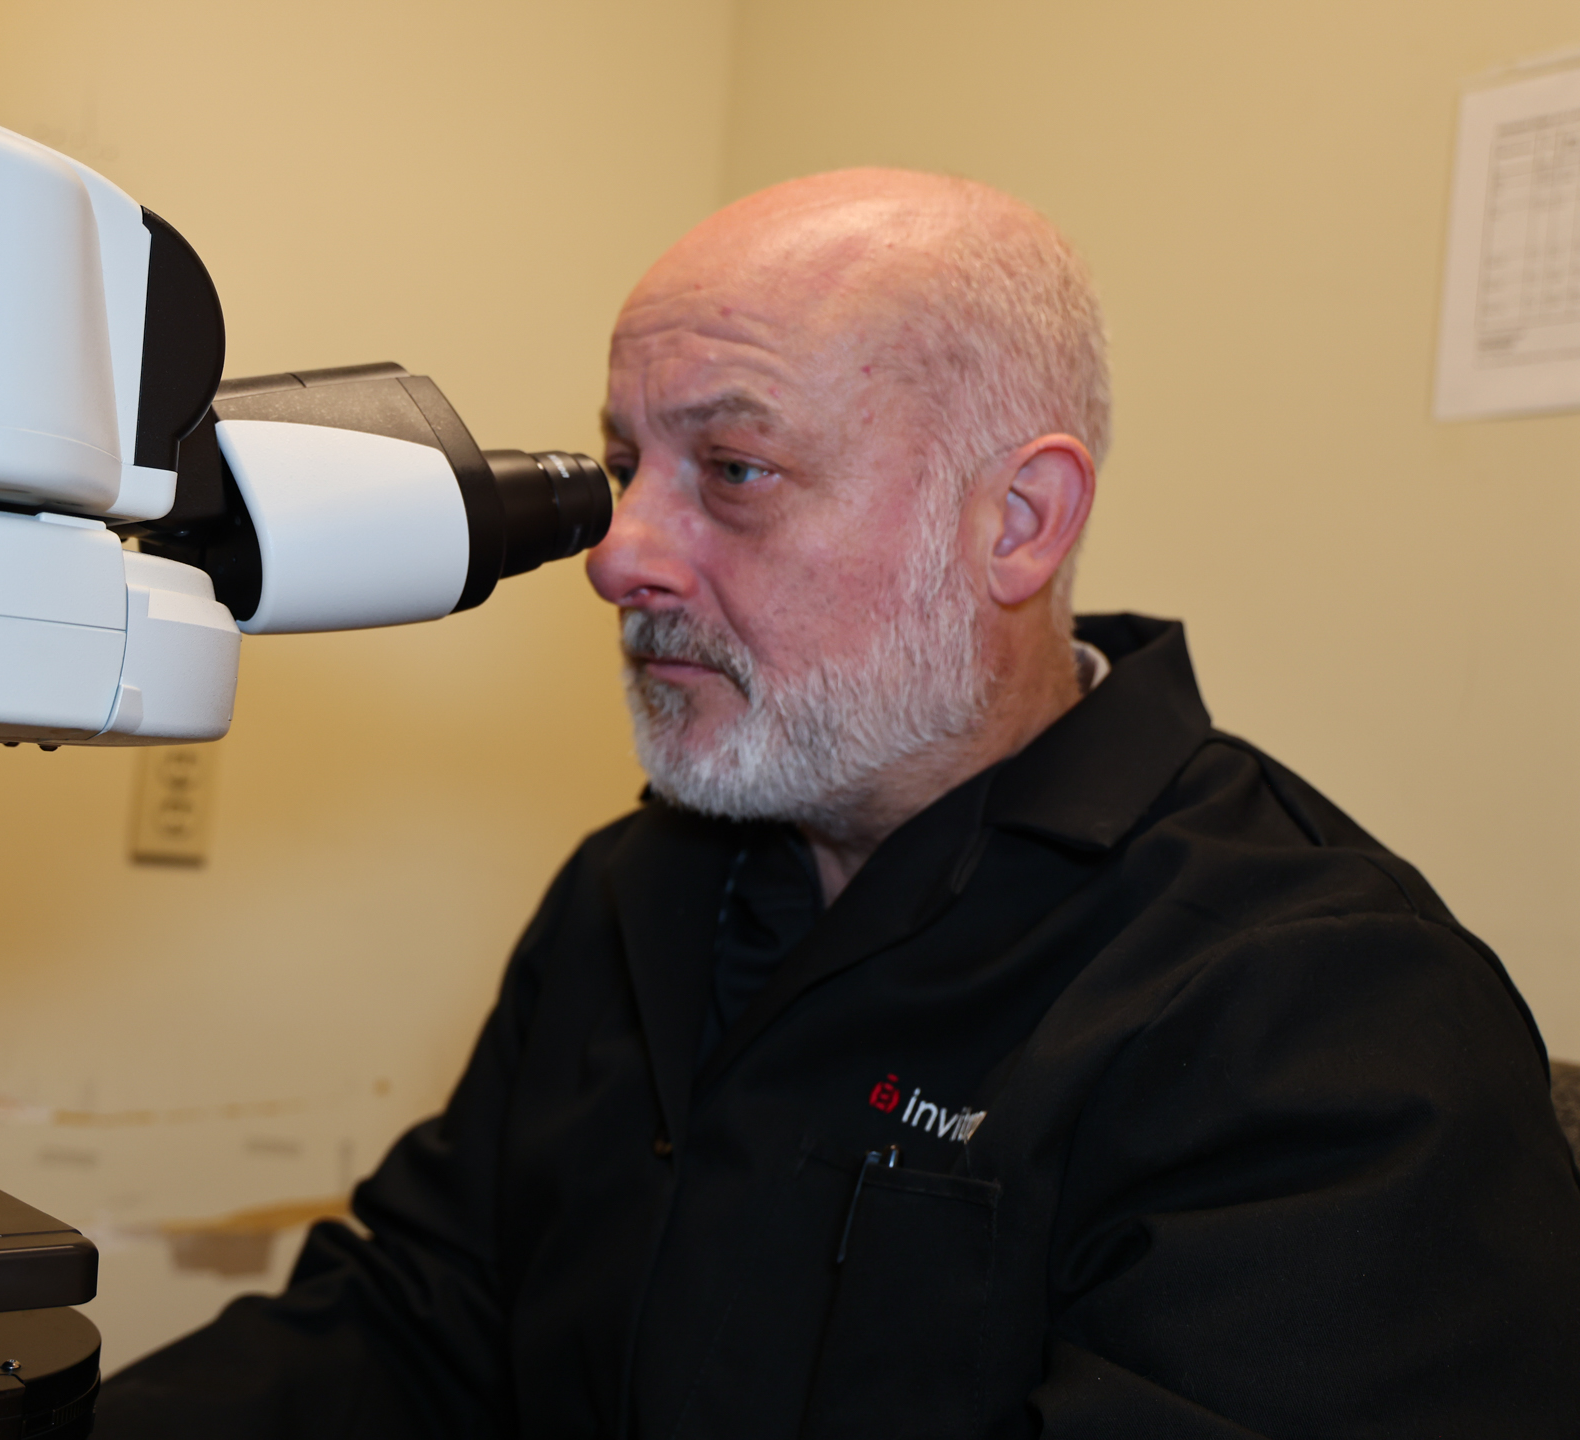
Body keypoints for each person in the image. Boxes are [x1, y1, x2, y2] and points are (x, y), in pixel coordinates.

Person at [99, 169, 1580, 1437]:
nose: (622, 556)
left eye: (734, 470)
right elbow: (423, 1323)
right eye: (626, 468)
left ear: (1015, 523)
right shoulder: (635, 894)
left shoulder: (1320, 1016)